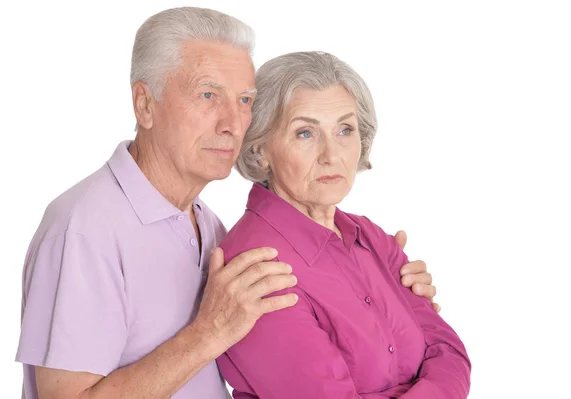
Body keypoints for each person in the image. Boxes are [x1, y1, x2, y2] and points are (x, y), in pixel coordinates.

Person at [15, 7, 438, 399]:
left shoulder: (209, 226)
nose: (232, 123)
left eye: (244, 101)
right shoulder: (85, 229)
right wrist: (209, 333)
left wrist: (386, 298)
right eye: (207, 95)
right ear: (145, 104)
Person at [216, 51, 471, 398]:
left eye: (345, 130)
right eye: (305, 133)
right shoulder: (256, 266)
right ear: (260, 148)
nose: (331, 154)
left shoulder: (373, 238)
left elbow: (451, 354)